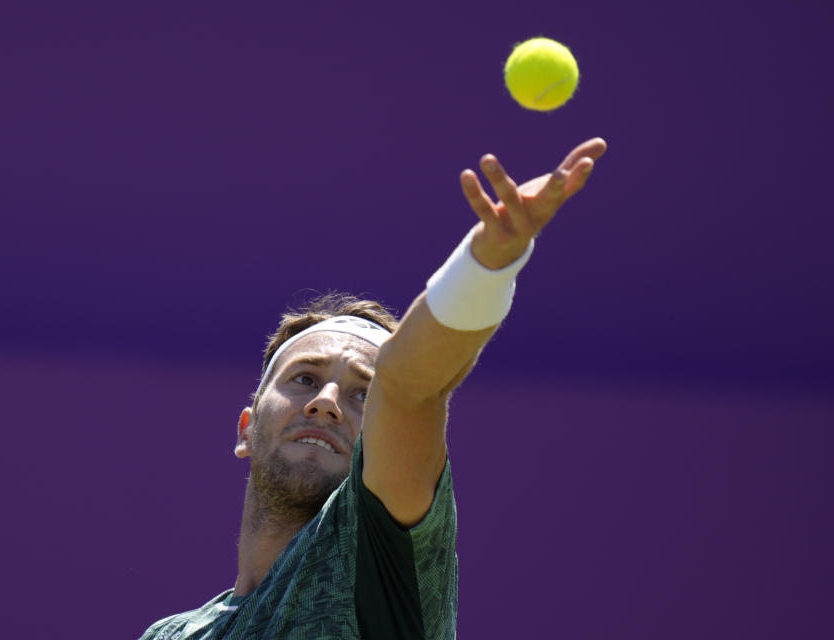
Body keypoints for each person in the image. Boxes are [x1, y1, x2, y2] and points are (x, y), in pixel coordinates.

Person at [139, 138, 608, 640]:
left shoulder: (375, 550)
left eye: (363, 394)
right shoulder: (172, 635)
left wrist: (487, 264)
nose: (325, 404)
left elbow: (409, 386)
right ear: (246, 428)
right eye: (304, 379)